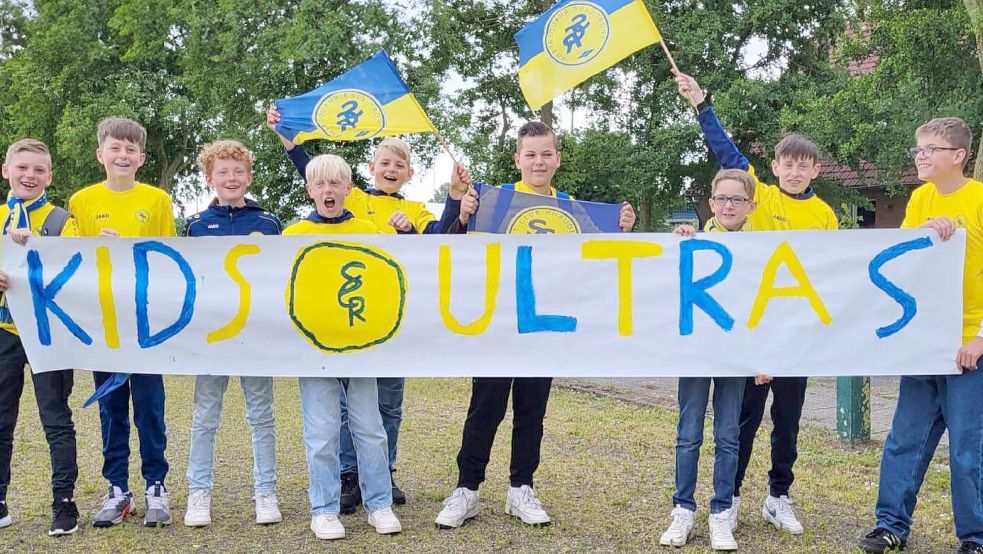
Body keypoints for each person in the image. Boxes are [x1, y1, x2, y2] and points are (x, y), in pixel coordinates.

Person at [267, 105, 477, 512]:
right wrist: (286, 134)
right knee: (346, 407)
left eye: (400, 164)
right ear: (370, 168)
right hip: (345, 321)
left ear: (409, 174)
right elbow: (315, 173)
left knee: (387, 403)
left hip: (391, 322)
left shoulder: (414, 209)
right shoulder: (354, 199)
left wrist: (447, 200)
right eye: (385, 162)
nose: (392, 168)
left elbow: (441, 237)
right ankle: (350, 476)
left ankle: (384, 469)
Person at [434, 121, 636, 529]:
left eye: (546, 154)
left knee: (531, 410)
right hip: (499, 321)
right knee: (484, 408)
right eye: (531, 154)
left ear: (558, 159)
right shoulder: (494, 201)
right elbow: (453, 246)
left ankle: (520, 488)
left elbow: (601, 258)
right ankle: (467, 489)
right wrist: (462, 215)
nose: (538, 161)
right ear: (517, 159)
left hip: (544, 324)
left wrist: (622, 229)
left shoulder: (572, 206)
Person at [674, 70, 839, 535]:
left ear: (815, 171)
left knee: (787, 421)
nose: (795, 171)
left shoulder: (825, 214)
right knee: (742, 421)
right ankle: (731, 499)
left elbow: (832, 272)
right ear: (774, 167)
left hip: (795, 335)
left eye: (803, 165)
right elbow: (724, 152)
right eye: (788, 163)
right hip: (754, 329)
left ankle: (778, 495)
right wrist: (702, 104)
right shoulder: (758, 198)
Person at [858, 117, 983, 554]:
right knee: (905, 440)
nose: (921, 157)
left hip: (970, 346)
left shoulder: (980, 200)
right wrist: (925, 233)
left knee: (968, 447)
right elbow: (905, 261)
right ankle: (890, 526)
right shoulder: (920, 199)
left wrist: (980, 338)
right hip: (927, 341)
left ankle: (974, 537)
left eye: (930, 149)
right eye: (918, 150)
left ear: (958, 156)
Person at [284, 153, 402, 540]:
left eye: (336, 183)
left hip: (362, 347)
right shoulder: (292, 236)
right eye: (320, 184)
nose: (328, 190)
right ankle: (324, 508)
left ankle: (379, 503)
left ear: (349, 189)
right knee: (321, 431)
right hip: (313, 349)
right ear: (309, 190)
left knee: (370, 428)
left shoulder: (373, 231)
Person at [68, 116, 177, 528]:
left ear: (142, 158)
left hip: (146, 326)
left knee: (150, 408)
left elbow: (171, 261)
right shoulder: (80, 202)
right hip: (104, 325)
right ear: (100, 154)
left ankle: (156, 487)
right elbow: (68, 262)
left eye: (131, 149)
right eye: (115, 147)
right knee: (111, 408)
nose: (123, 155)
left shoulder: (158, 201)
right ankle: (117, 489)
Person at [182, 140, 283, 527]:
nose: (231, 178)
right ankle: (198, 493)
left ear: (249, 176)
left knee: (261, 415)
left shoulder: (269, 223)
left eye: (238, 171)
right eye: (222, 172)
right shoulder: (193, 225)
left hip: (255, 335)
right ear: (210, 178)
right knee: (205, 415)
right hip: (210, 336)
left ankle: (266, 492)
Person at [660, 169, 757, 550]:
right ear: (711, 203)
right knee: (688, 435)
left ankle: (721, 513)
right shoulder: (693, 240)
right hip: (696, 354)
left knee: (729, 435)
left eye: (737, 200)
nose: (728, 206)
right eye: (721, 199)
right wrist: (679, 241)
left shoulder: (761, 246)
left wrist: (765, 356)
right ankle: (683, 508)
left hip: (736, 355)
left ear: (750, 205)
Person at [0, 139, 80, 536]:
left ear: (50, 176)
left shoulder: (62, 220)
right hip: (4, 333)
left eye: (39, 170)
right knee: (1, 420)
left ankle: (64, 504)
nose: (30, 176)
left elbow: (79, 277)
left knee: (56, 420)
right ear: (6, 170)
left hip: (49, 334)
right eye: (23, 168)